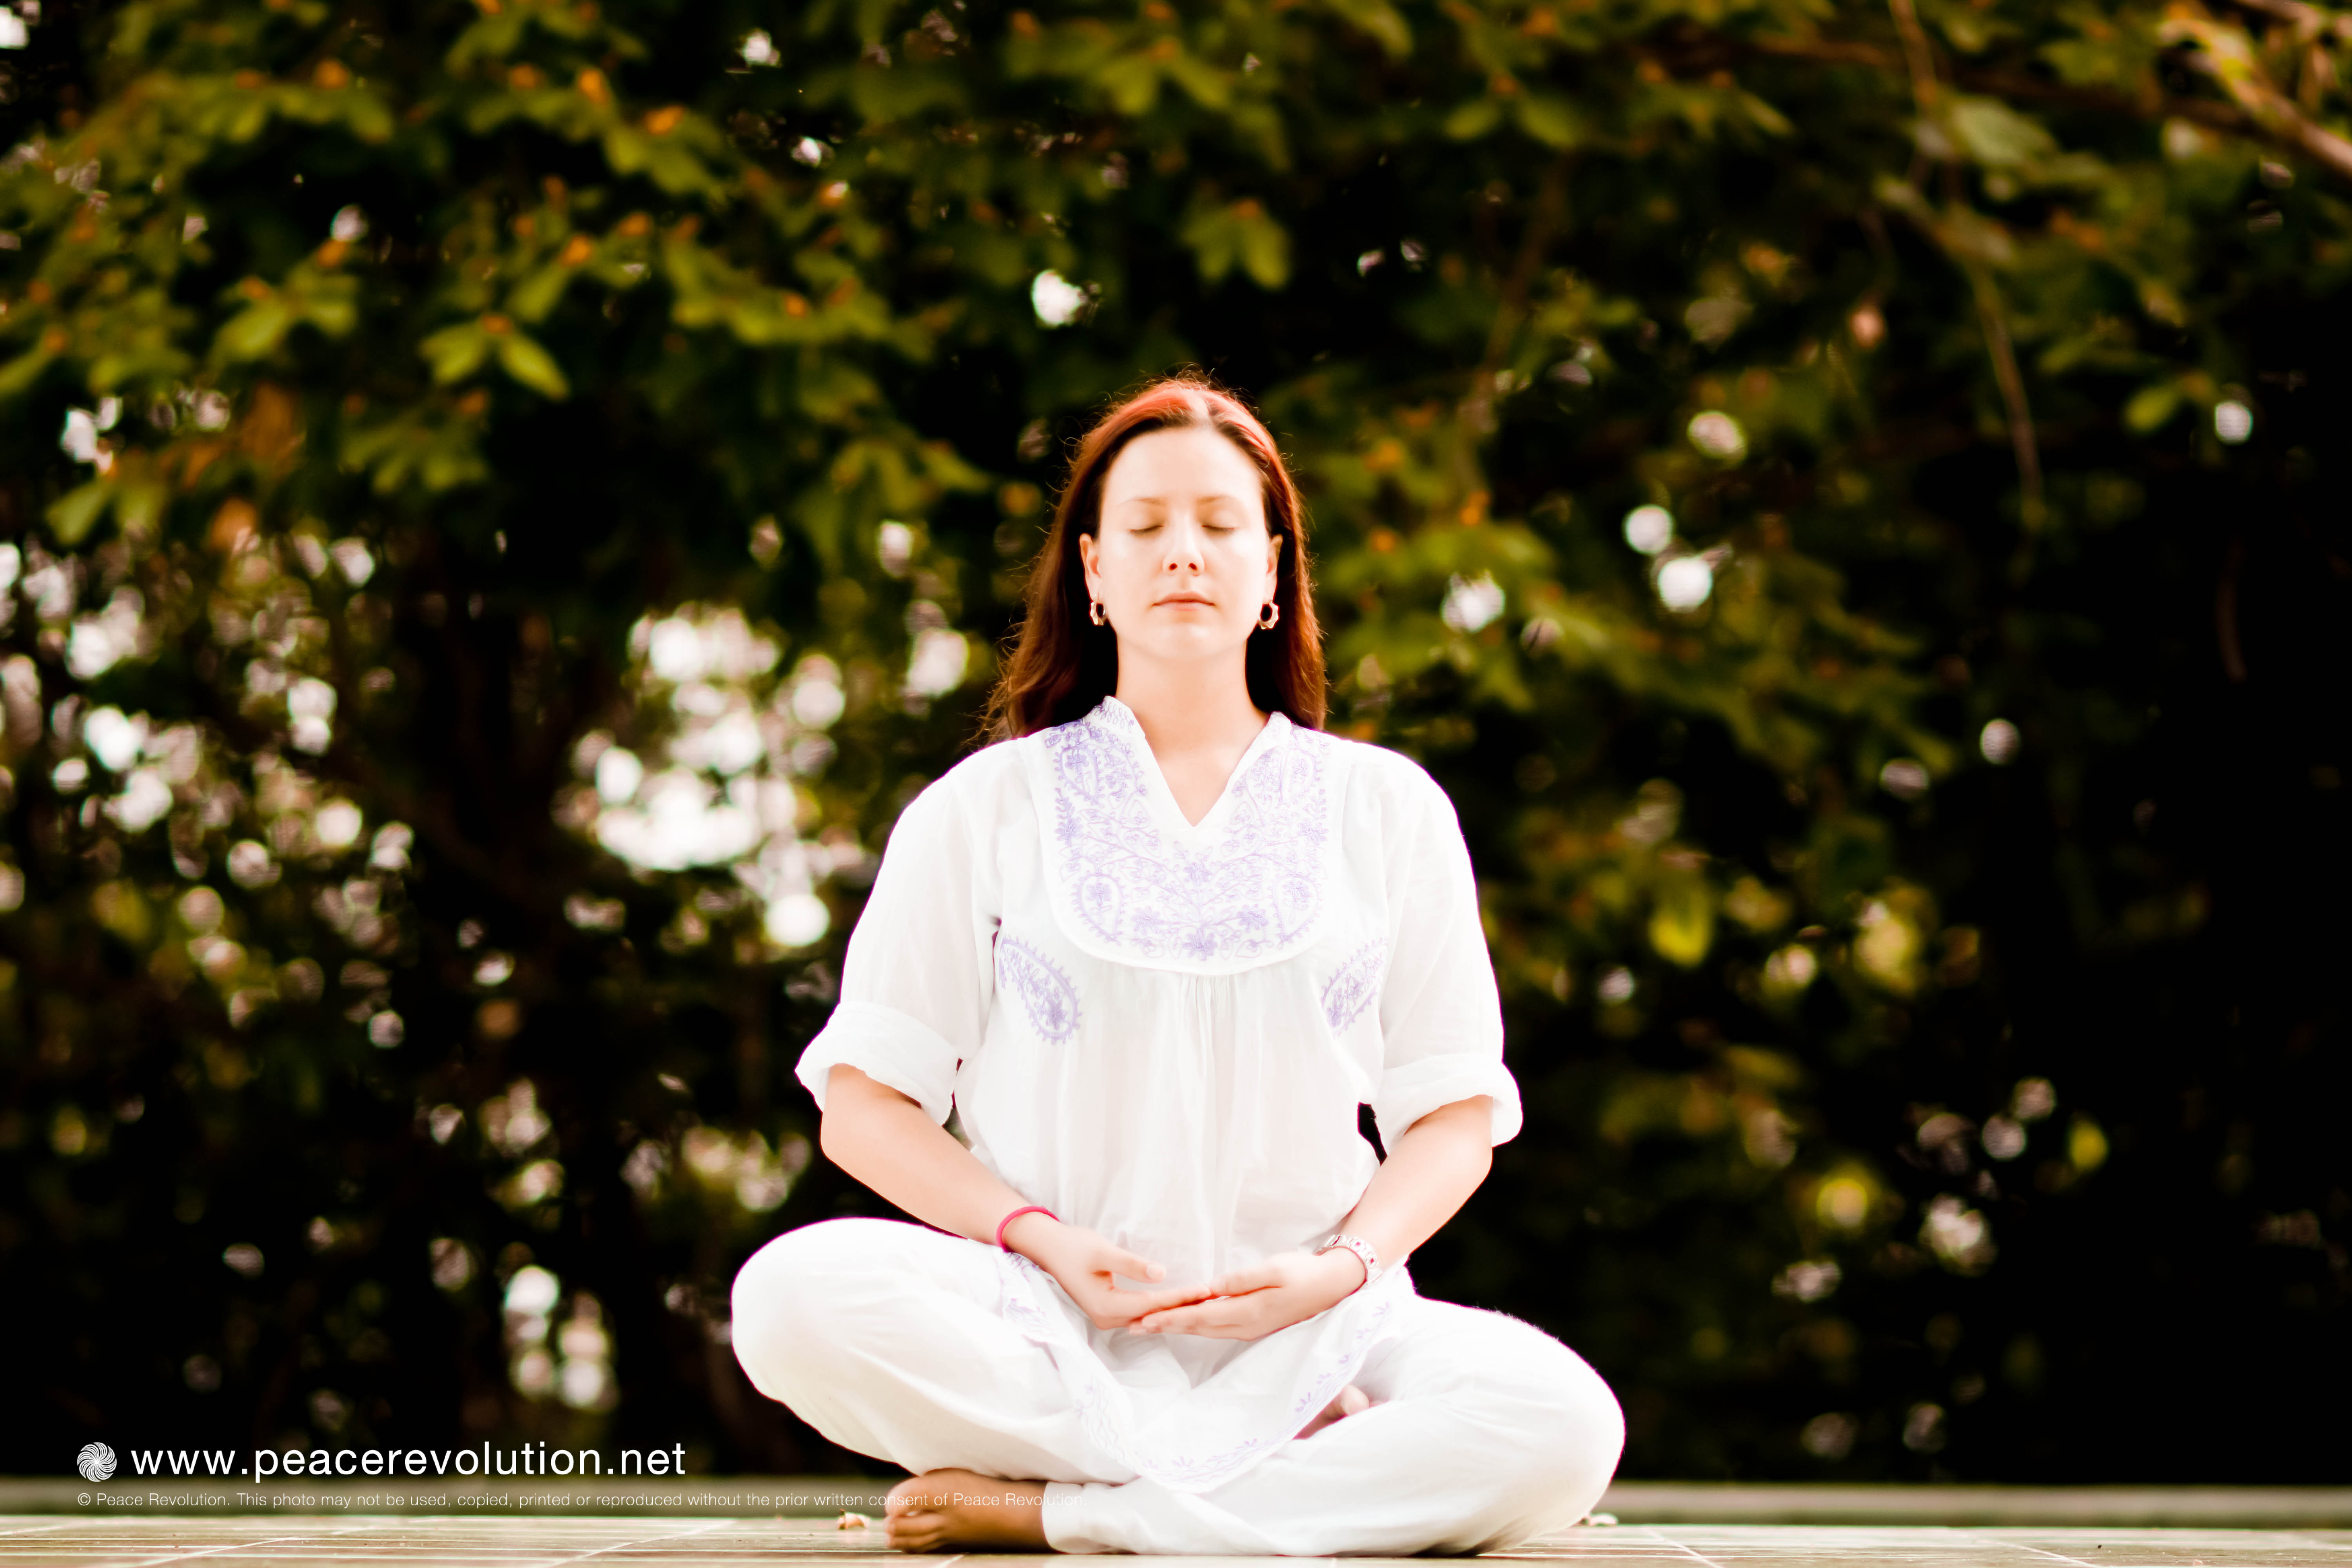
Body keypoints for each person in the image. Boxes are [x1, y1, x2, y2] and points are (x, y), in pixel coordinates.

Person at [730, 376, 1624, 1555]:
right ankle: (1265, 1489)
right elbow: (865, 1109)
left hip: (1322, 1334)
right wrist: (1045, 1243)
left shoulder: (1387, 807)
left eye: (1220, 524)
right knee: (788, 1298)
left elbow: (1453, 1117)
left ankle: (1066, 1511)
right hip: (1044, 1326)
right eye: (1146, 526)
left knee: (1562, 1422)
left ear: (1274, 569)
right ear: (1094, 574)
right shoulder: (984, 807)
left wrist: (1339, 1271)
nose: (1184, 553)